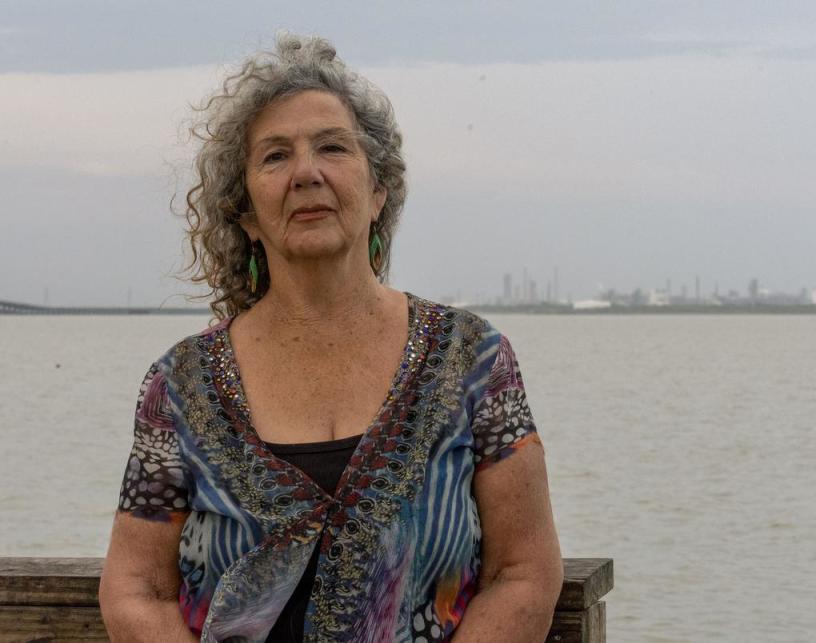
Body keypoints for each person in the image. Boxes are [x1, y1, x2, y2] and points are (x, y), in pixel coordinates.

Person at [98, 34, 564, 642]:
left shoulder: (473, 360)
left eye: (333, 147)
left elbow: (523, 572)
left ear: (378, 193)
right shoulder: (183, 384)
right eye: (274, 156)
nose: (306, 173)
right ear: (246, 216)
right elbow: (137, 587)